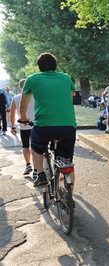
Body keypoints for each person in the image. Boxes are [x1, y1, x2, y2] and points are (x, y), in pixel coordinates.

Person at [19, 52, 77, 188]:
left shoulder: (32, 79)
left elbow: (23, 105)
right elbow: (70, 99)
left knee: (36, 146)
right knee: (67, 161)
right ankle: (70, 197)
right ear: (55, 66)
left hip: (44, 127)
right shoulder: (66, 78)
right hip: (68, 126)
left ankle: (41, 174)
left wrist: (23, 118)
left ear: (38, 67)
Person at [10, 79, 38, 179]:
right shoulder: (36, 96)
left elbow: (12, 113)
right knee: (36, 147)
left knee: (25, 146)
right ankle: (36, 170)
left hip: (23, 126)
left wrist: (13, 126)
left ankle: (28, 165)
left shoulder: (16, 98)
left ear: (19, 87)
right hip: (36, 125)